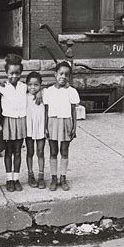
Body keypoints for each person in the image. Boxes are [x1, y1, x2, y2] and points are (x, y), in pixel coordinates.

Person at [43, 61, 80, 191]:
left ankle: (63, 177)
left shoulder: (72, 91)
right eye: (61, 73)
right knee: (53, 151)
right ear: (55, 74)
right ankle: (54, 177)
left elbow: (74, 110)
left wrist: (74, 127)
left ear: (69, 77)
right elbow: (46, 111)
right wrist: (45, 127)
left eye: (66, 74)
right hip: (52, 123)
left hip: (66, 123)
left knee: (64, 151)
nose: (63, 77)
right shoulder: (48, 91)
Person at [0, 54, 27, 192]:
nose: (14, 76)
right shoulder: (2, 87)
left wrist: (39, 92)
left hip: (20, 121)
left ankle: (16, 178)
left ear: (21, 73)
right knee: (8, 151)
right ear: (6, 73)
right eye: (11, 73)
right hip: (8, 121)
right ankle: (9, 179)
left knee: (17, 151)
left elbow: (38, 89)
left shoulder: (24, 87)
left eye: (17, 73)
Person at [25, 71, 46, 189]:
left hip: (40, 127)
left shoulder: (44, 94)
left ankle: (41, 176)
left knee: (40, 152)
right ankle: (30, 174)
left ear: (41, 85)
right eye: (30, 84)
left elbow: (54, 87)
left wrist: (41, 92)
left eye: (36, 85)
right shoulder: (24, 95)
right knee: (30, 152)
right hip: (29, 127)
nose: (33, 87)